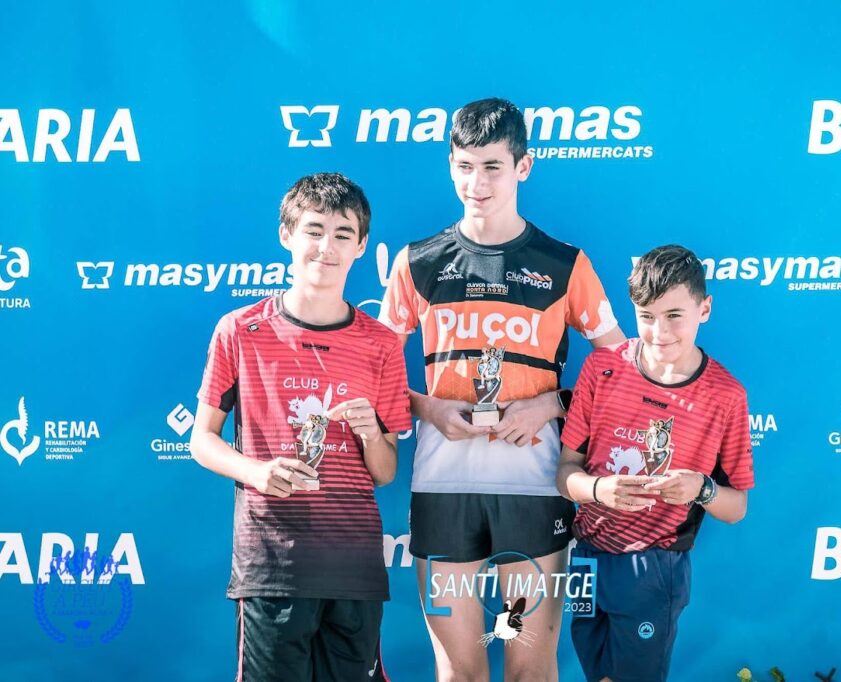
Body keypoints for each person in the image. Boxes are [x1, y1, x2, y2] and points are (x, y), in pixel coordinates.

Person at [378, 97, 625, 681]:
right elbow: (374, 374)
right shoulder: (418, 263)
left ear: (524, 166)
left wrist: (552, 404)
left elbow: (621, 371)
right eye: (465, 166)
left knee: (529, 669)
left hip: (534, 487)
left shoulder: (564, 265)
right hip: (443, 487)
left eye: (492, 166)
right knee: (459, 672)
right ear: (450, 166)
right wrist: (426, 406)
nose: (477, 183)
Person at [190, 173, 412, 682]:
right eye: (314, 230)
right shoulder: (240, 330)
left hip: (354, 570)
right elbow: (201, 440)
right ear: (287, 235)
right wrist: (256, 472)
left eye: (342, 233)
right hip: (272, 567)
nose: (326, 247)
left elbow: (384, 472)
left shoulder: (381, 343)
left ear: (361, 246)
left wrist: (370, 434)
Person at [556, 244, 754, 682]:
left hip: (653, 566)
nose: (659, 332)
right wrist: (598, 489)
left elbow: (736, 507)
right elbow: (565, 473)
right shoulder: (602, 368)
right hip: (586, 556)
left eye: (674, 316)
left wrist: (701, 488)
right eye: (646, 316)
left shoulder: (726, 395)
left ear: (705, 309)